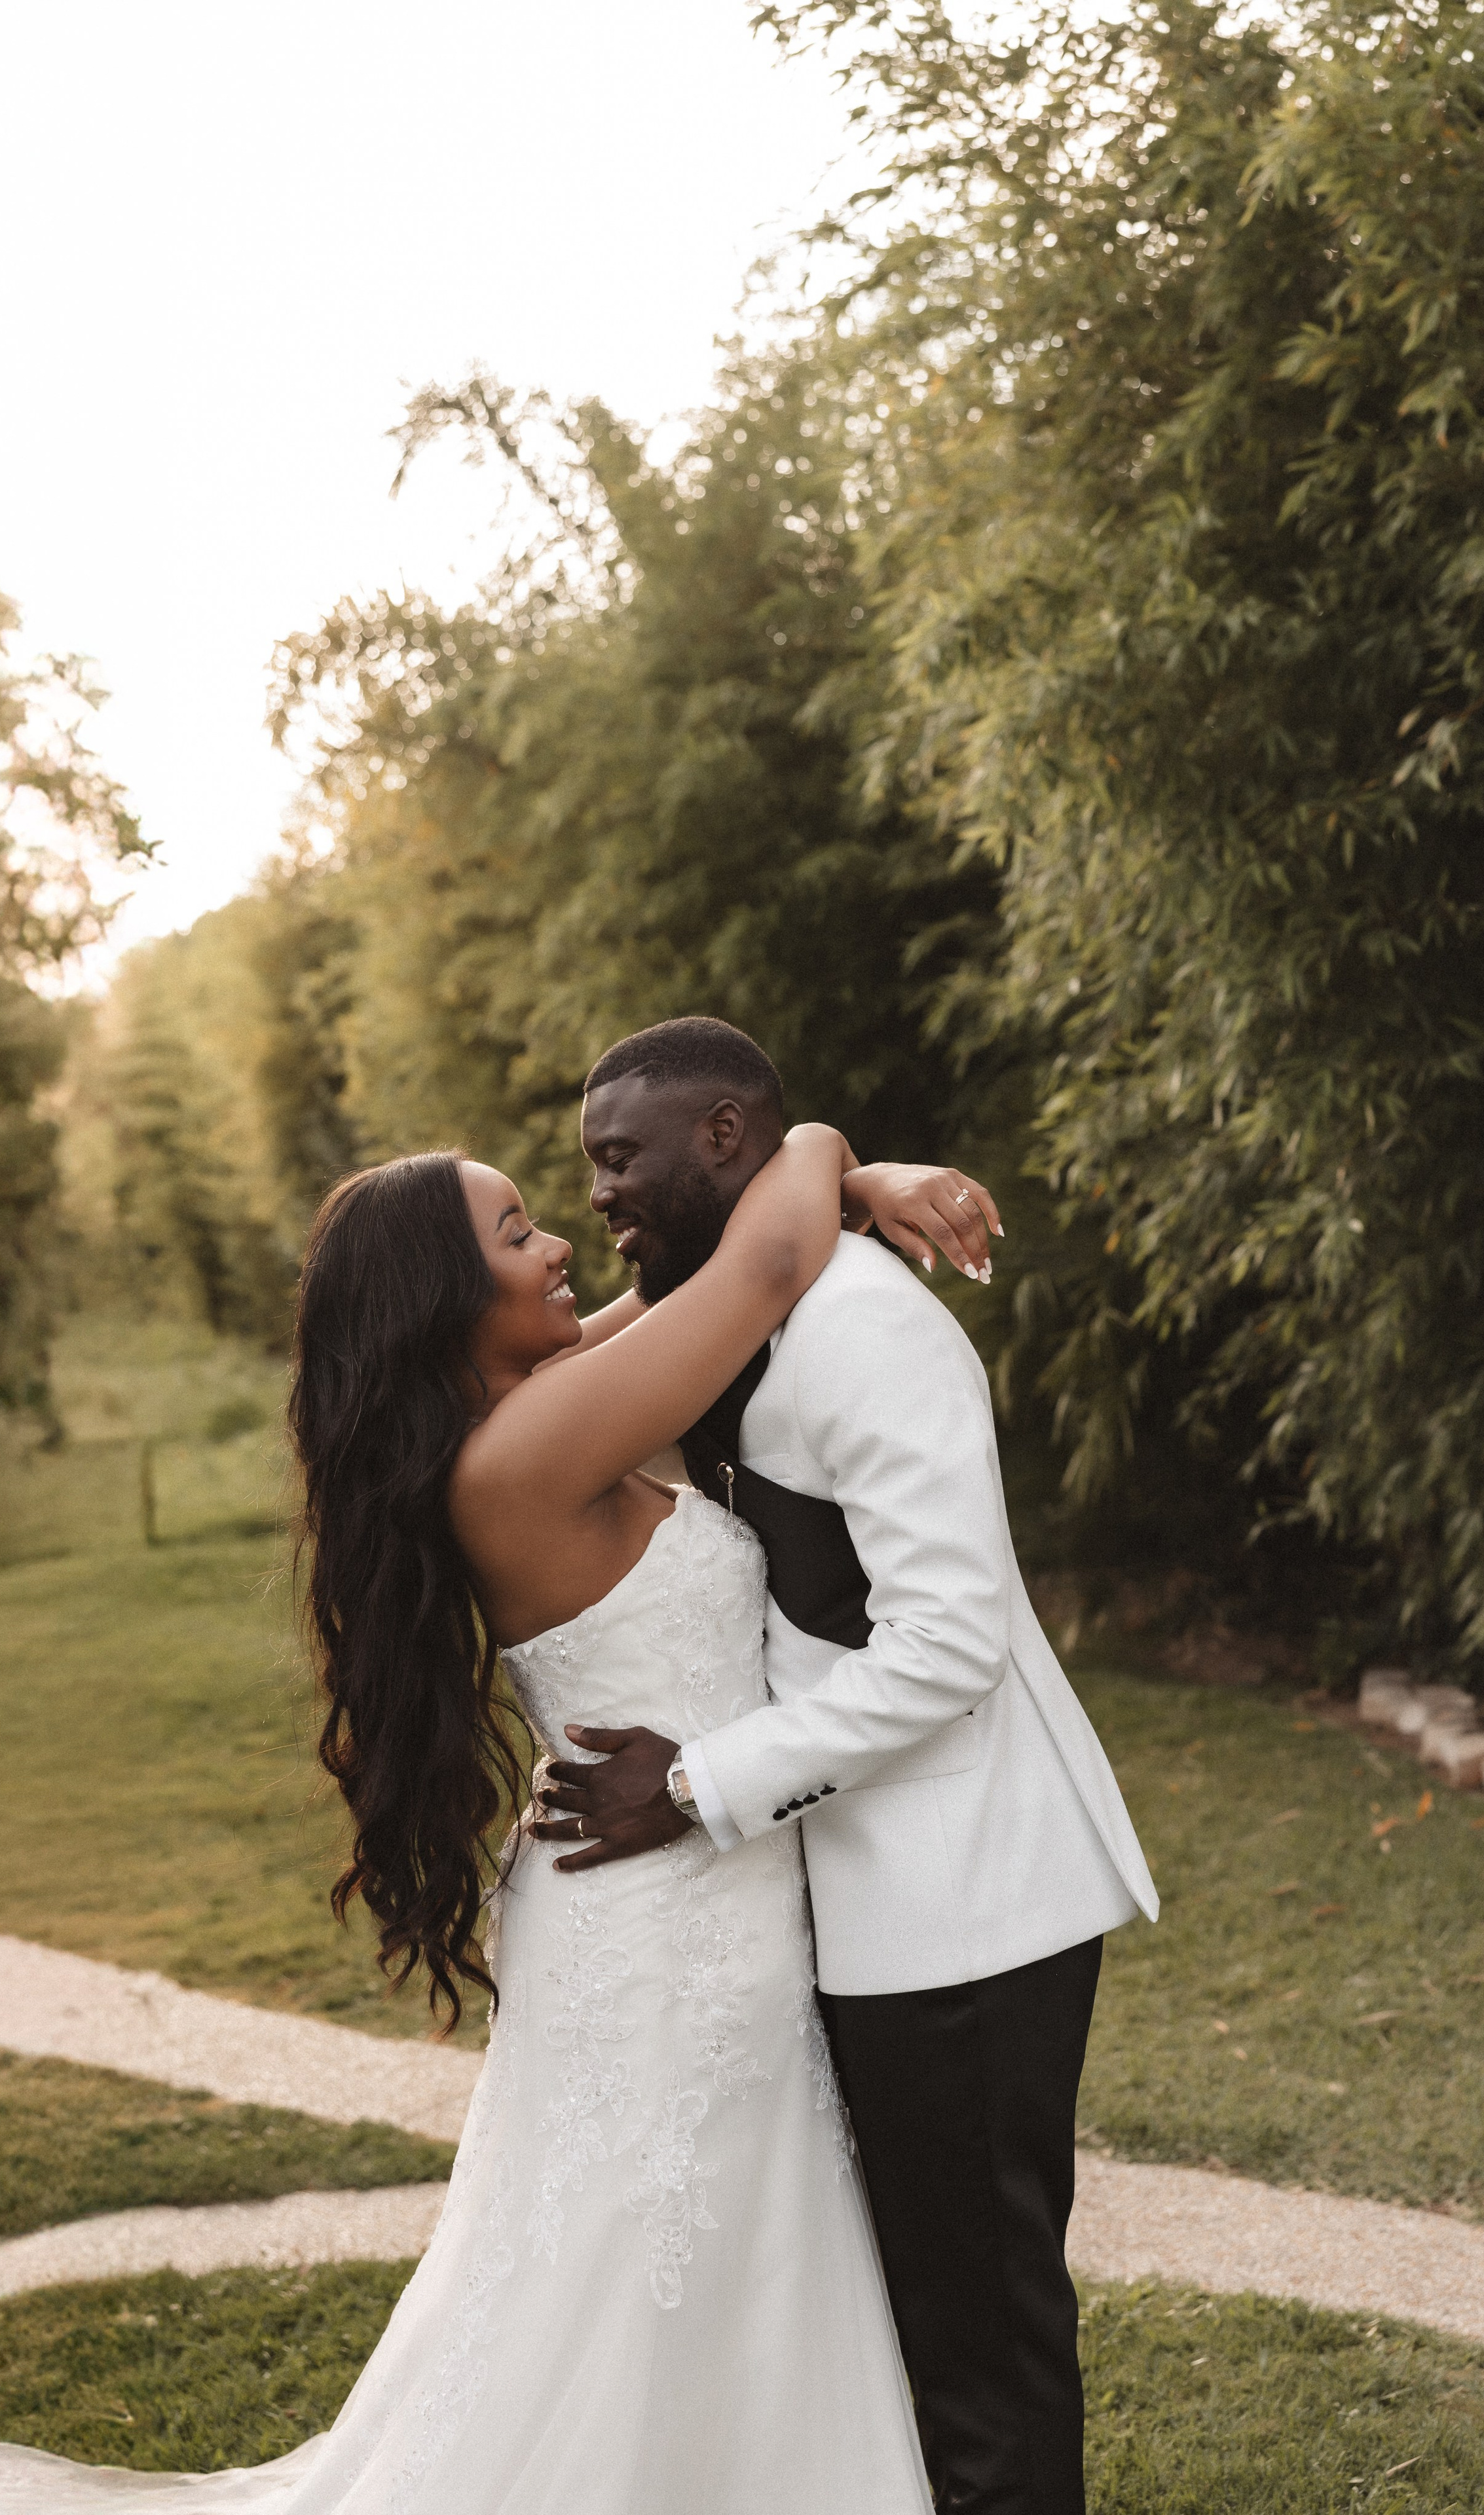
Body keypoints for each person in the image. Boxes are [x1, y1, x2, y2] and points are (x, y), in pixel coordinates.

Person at [0, 1115, 994, 2514]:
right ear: (443, 1299)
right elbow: (766, 1259)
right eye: (519, 1233)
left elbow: (693, 1279)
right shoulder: (530, 1445)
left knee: (660, 2266)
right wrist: (830, 1144)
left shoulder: (532, 1412)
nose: (559, 1245)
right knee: (641, 2275)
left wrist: (842, 1189)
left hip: (671, 1897)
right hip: (661, 1928)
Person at [538, 1016, 1159, 2515]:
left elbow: (946, 1652)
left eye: (618, 1159)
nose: (598, 1194)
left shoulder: (864, 1331)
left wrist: (689, 1785)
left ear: (722, 1140)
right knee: (927, 2320)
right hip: (875, 1903)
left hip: (965, 1907)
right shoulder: (728, 1307)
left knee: (981, 2341)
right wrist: (848, 1168)